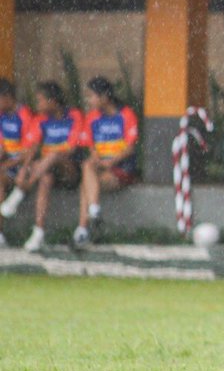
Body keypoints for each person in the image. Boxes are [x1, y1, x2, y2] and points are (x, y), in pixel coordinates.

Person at [1, 82, 84, 251]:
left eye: (40, 101)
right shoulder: (40, 120)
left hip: (70, 170)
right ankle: (38, 232)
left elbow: (71, 149)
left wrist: (31, 170)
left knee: (53, 156)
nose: (37, 105)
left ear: (53, 101)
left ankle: (20, 192)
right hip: (45, 170)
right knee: (45, 177)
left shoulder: (74, 116)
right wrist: (24, 169)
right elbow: (33, 148)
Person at [75, 77, 139, 248]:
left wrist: (111, 162)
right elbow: (91, 147)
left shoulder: (126, 115)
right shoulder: (92, 118)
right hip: (102, 168)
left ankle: (83, 228)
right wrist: (98, 159)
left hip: (122, 169)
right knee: (87, 165)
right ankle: (93, 212)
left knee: (85, 186)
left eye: (92, 96)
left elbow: (130, 148)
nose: (89, 100)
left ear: (104, 97)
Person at [0, 79, 34, 247]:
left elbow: (29, 152)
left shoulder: (24, 115)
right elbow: (3, 148)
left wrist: (7, 165)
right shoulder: (2, 116)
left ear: (7, 97)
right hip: (9, 167)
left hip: (25, 168)